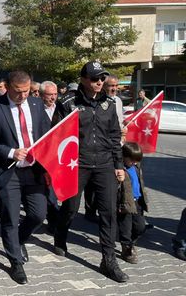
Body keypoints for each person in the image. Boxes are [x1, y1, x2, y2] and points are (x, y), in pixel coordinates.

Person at [54, 61, 129, 283]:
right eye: (95, 78)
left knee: (108, 213)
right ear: (84, 79)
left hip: (105, 165)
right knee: (70, 207)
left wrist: (118, 165)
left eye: (102, 78)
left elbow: (115, 136)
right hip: (77, 165)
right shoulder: (68, 102)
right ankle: (60, 235)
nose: (100, 82)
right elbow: (56, 135)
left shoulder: (108, 103)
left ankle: (108, 260)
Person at [0, 71, 51, 285]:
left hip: (33, 170)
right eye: (18, 92)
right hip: (7, 170)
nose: (22, 96)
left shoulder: (37, 105)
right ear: (7, 87)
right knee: (9, 217)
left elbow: (46, 133)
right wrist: (10, 152)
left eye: (26, 91)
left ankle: (18, 240)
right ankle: (15, 262)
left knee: (38, 214)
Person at [117, 142, 149, 264]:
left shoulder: (136, 166)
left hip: (138, 202)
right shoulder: (120, 169)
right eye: (132, 160)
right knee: (126, 228)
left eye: (137, 160)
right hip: (125, 202)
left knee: (140, 227)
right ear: (123, 157)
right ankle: (126, 248)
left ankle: (132, 242)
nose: (134, 163)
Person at [39, 81, 62, 232]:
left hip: (59, 155)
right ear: (41, 95)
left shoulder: (61, 108)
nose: (53, 98)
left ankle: (55, 218)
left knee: (55, 189)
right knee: (48, 190)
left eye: (55, 94)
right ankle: (52, 220)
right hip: (41, 157)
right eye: (49, 95)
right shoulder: (36, 110)